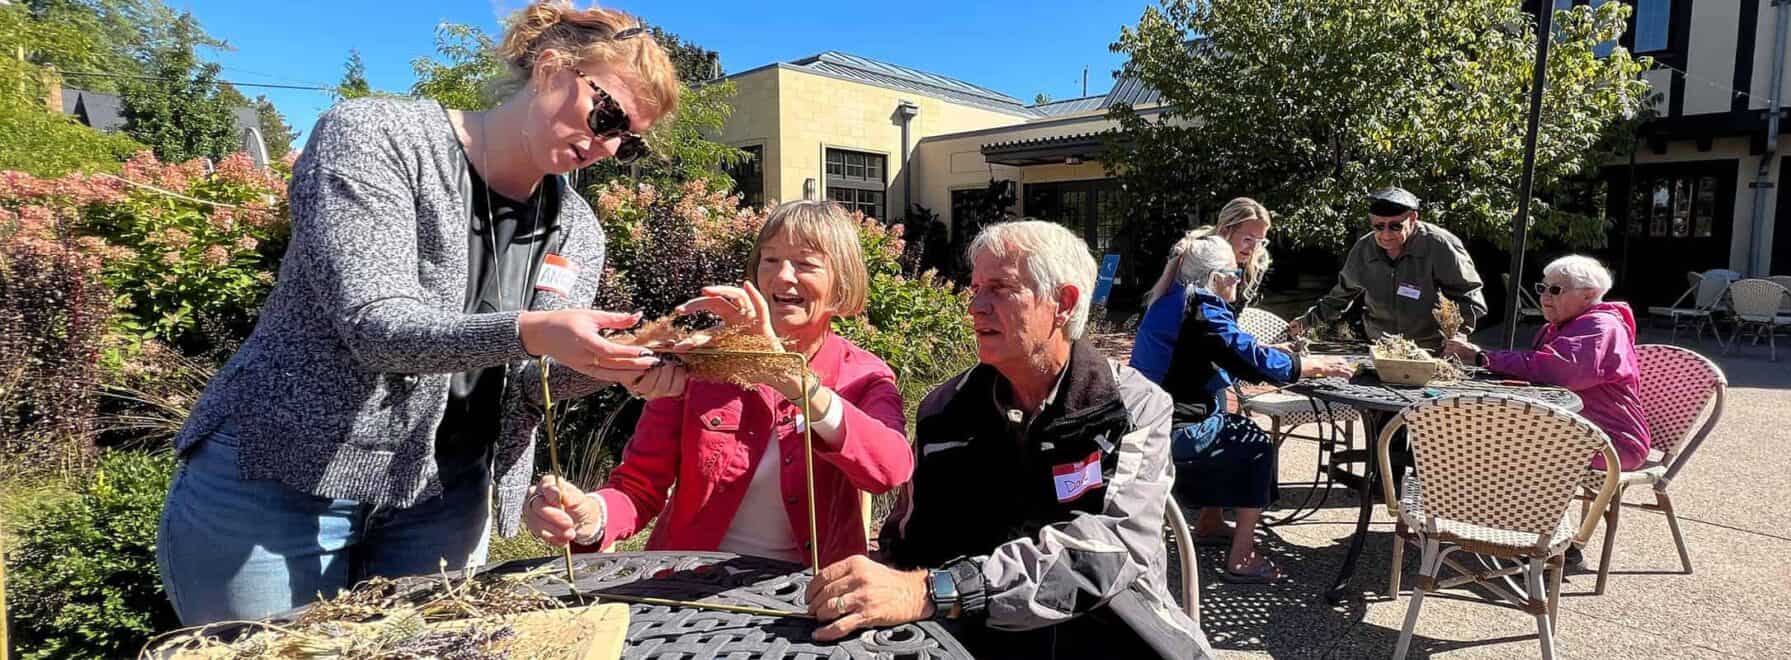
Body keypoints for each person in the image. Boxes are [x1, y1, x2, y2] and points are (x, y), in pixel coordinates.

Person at [156, 1, 682, 625]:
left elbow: (528, 386)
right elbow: (375, 326)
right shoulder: (376, 138)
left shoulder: (577, 229)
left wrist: (617, 368)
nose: (607, 144)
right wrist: (532, 330)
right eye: (608, 114)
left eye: (627, 141)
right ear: (550, 68)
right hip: (282, 479)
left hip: (444, 501)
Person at [802, 221, 1214, 659]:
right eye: (976, 287)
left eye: (1000, 288)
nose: (976, 306)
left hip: (1112, 634)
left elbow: (1111, 547)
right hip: (977, 637)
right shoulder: (945, 412)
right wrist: (872, 583)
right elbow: (910, 541)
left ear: (1063, 303)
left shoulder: (1131, 408)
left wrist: (938, 590)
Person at [521, 200, 914, 566]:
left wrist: (797, 384)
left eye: (805, 264)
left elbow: (890, 471)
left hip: (805, 602)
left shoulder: (864, 374)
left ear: (842, 282)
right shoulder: (701, 362)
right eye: (770, 259)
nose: (782, 276)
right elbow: (639, 488)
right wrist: (590, 516)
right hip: (688, 590)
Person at [1130, 235, 1354, 583]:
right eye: (1234, 273)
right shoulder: (1202, 306)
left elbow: (1231, 349)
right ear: (1216, 278)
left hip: (1149, 422)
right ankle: (1242, 557)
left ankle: (1210, 522)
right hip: (1172, 432)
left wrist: (1277, 354)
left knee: (1229, 422)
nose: (1239, 278)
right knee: (1255, 446)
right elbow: (1248, 360)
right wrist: (1311, 365)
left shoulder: (1170, 298)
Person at [1444, 255, 1650, 473]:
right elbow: (1537, 372)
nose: (1544, 297)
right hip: (1572, 431)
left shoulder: (1600, 326)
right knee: (1478, 433)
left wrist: (1483, 357)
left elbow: (1560, 371)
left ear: (1589, 294)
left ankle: (1489, 504)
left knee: (1488, 447)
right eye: (1542, 288)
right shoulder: (1563, 325)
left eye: (1555, 290)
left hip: (1611, 443)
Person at [1294, 186, 1487, 349]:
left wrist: (1459, 335)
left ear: (1412, 218)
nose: (1386, 235)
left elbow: (1470, 297)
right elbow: (1339, 297)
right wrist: (1305, 322)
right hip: (1381, 348)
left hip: (1431, 348)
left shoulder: (1440, 245)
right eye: (1379, 227)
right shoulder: (1364, 249)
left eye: (1395, 226)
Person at [1170, 197, 1274, 313]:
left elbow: (1235, 313)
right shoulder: (1194, 253)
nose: (1254, 249)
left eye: (1260, 241)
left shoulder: (1257, 261)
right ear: (1224, 231)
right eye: (1248, 239)